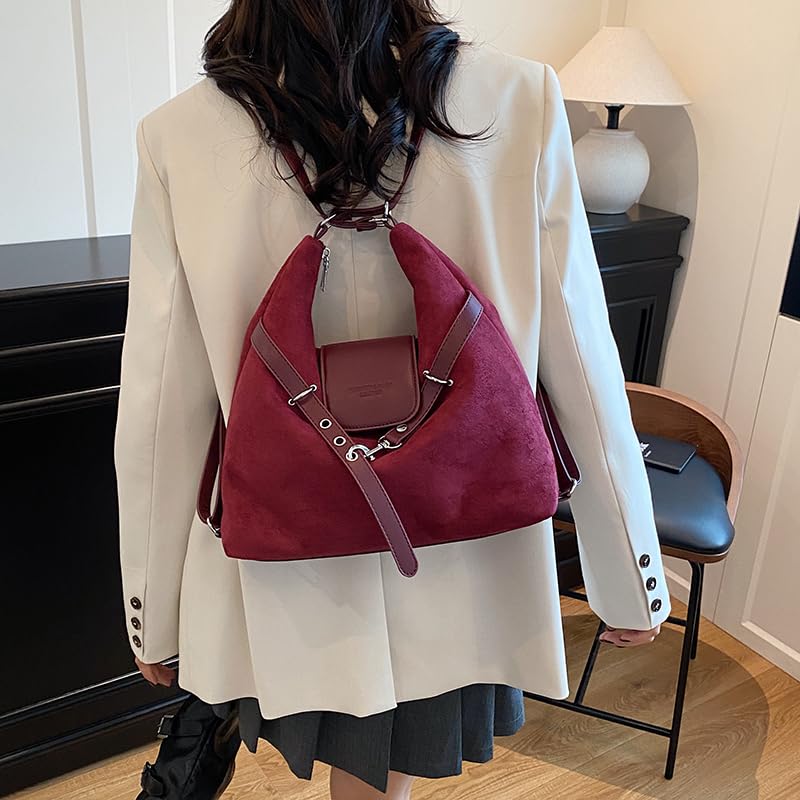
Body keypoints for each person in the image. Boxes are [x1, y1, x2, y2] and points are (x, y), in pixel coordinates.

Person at [114, 1, 671, 797]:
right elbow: (579, 354)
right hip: (464, 559)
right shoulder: (518, 99)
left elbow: (161, 405)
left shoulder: (180, 134)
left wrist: (153, 606)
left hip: (285, 575)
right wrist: (630, 569)